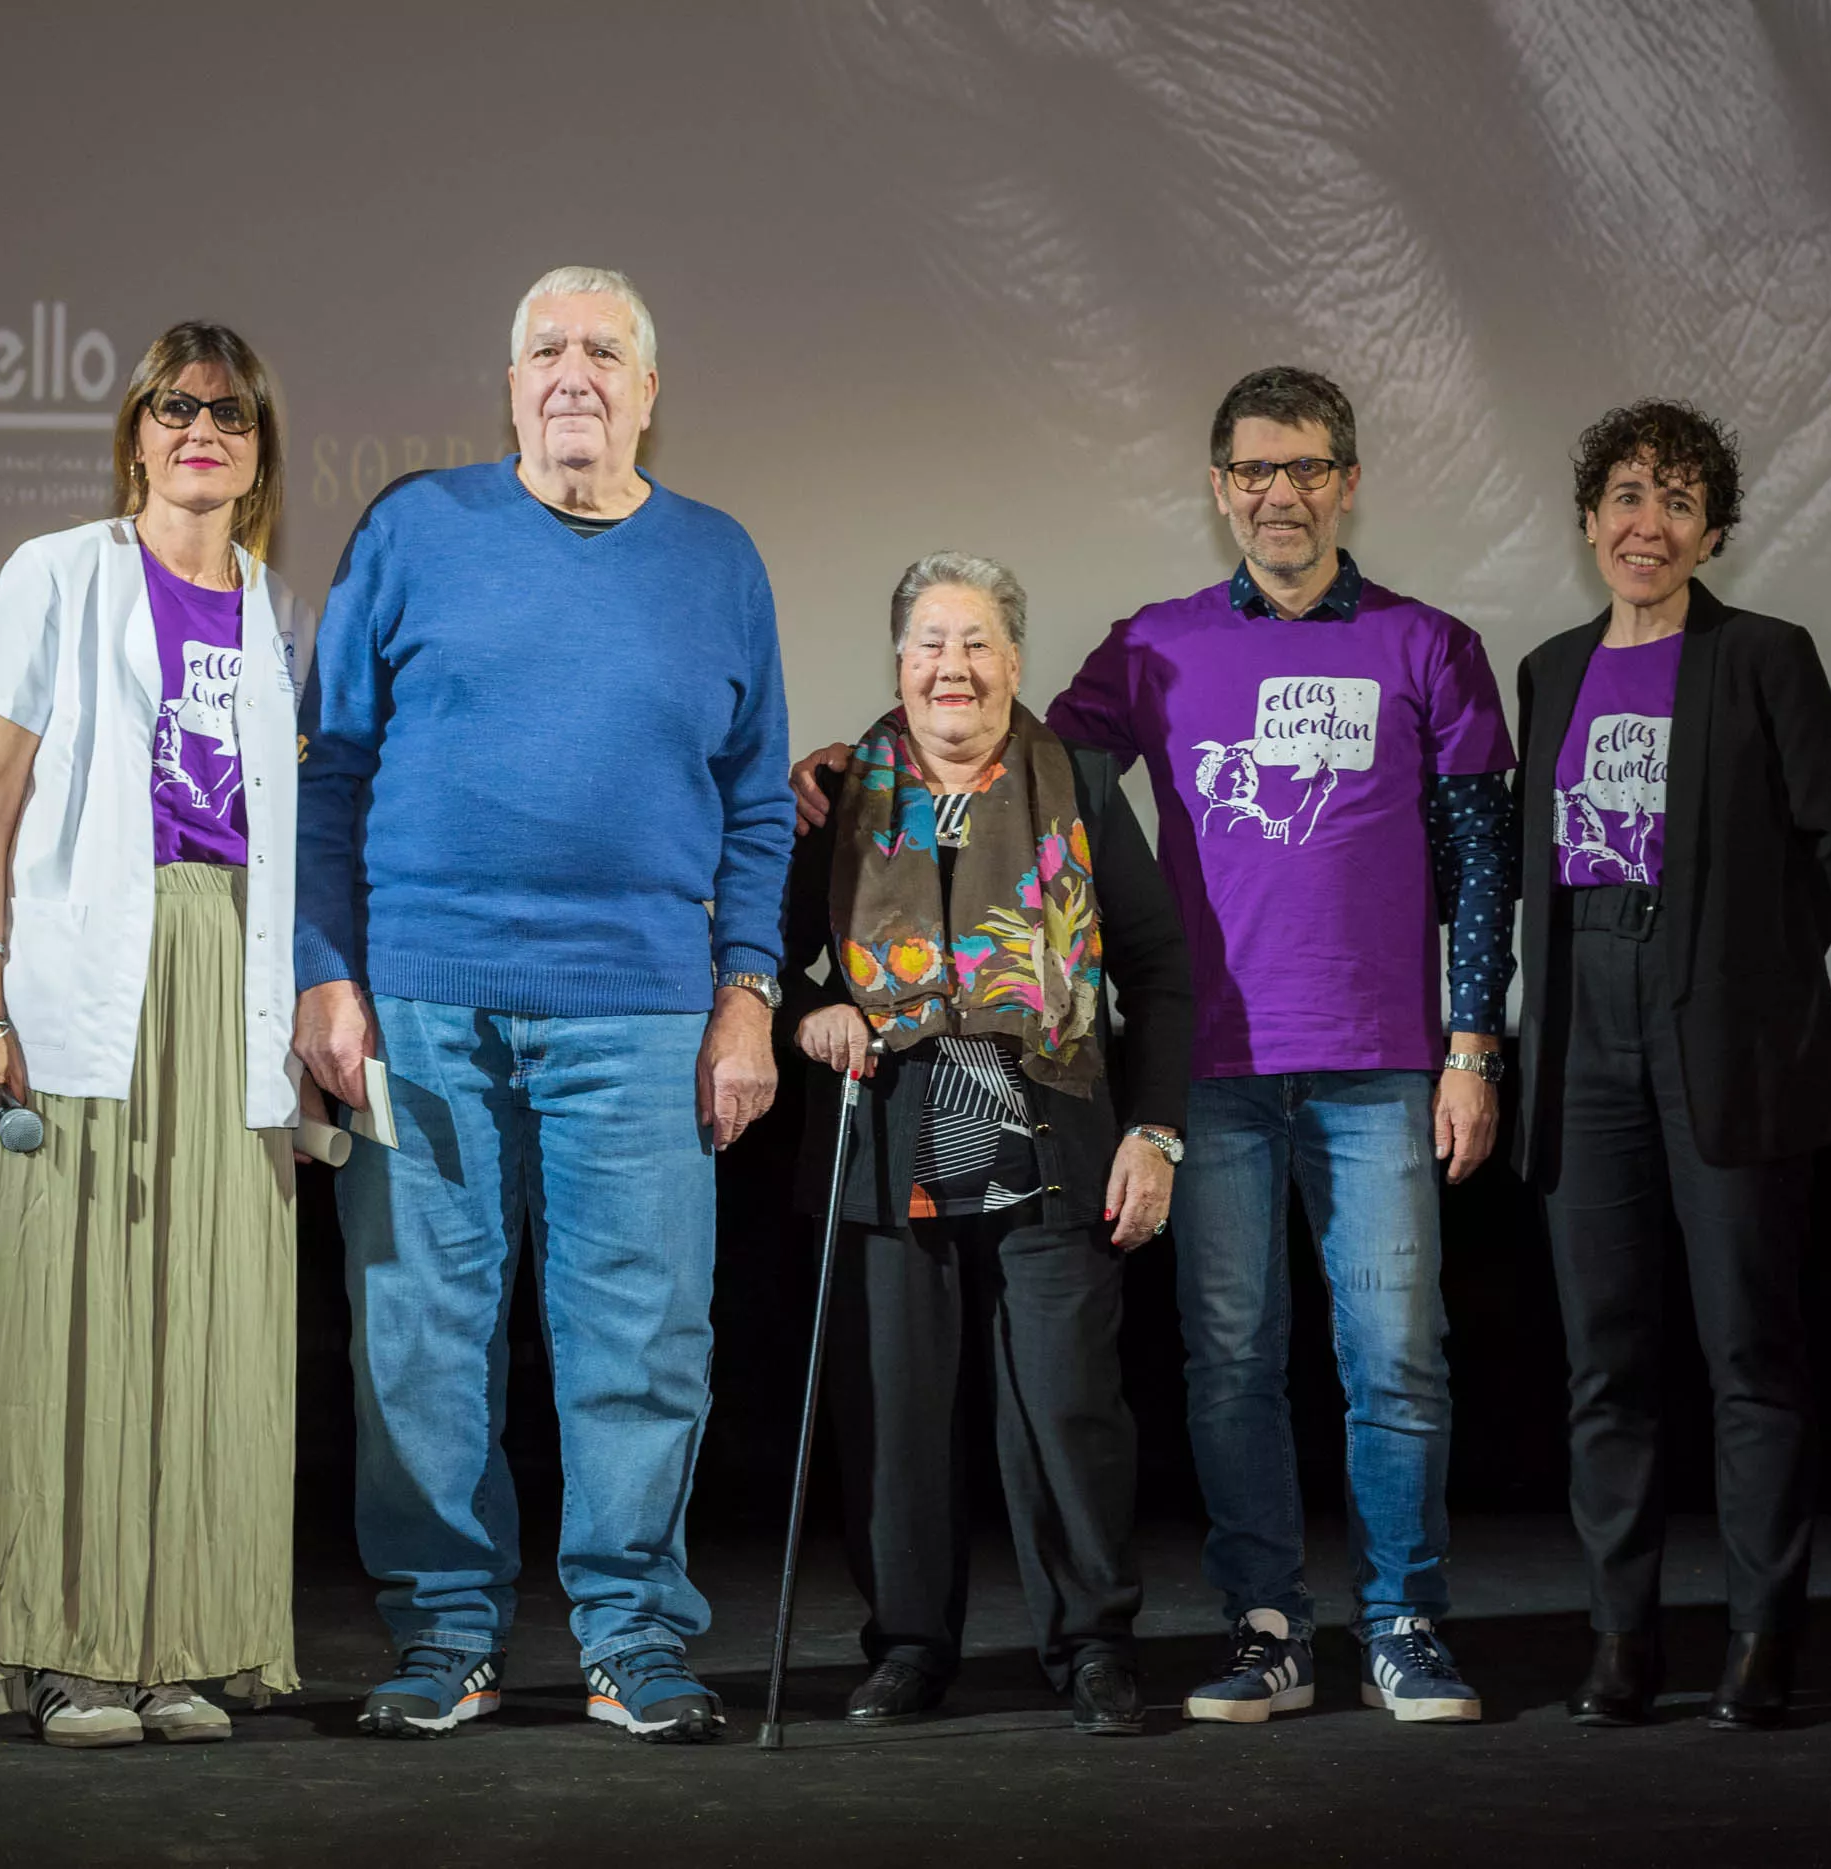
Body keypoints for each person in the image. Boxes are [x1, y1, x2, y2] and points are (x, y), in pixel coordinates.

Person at [799, 366, 1521, 1726]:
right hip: (1214, 1078)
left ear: (1348, 481)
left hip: (1382, 1065)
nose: (1281, 494)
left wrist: (1475, 1042)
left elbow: (1485, 862)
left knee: (1398, 1359)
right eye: (1253, 471)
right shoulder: (1157, 648)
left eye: (1306, 467)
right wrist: (863, 764)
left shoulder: (1432, 646)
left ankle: (1406, 1622)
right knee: (1231, 1362)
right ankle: (1267, 1632)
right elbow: (994, 751)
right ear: (1220, 490)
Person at [295, 265, 793, 1746]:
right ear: (509, 387)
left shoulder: (720, 559)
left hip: (642, 1011)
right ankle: (446, 1633)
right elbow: (331, 770)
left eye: (605, 351)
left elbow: (756, 805)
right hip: (424, 1003)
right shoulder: (412, 531)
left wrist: (748, 997)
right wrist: (328, 966)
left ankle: (632, 1634)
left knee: (643, 1338)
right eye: (545, 351)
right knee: (420, 1334)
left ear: (650, 390)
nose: (573, 373)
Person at [0, 321, 315, 1749]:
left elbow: (284, 833)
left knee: (211, 1311)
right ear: (136, 432)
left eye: (228, 409)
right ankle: (70, 1649)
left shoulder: (277, 612)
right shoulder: (58, 575)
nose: (200, 426)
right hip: (89, 973)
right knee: (75, 1310)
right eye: (173, 405)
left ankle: (184, 1646)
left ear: (259, 446)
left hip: (227, 983)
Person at [782, 552, 1193, 1737]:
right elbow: (768, 960)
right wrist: (810, 1004)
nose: (950, 668)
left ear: (1014, 664)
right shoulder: (835, 793)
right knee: (897, 1418)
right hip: (887, 1138)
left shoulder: (1084, 780)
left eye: (975, 645)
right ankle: (909, 1645)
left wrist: (1155, 1130)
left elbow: (1161, 973)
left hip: (1052, 1126)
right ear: (897, 666)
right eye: (928, 644)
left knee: (1068, 1410)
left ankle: (1093, 1646)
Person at [1512, 400, 1831, 1730]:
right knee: (1605, 1362)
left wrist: (1749, 974)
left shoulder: (1766, 657)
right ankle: (1622, 1640)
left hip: (1717, 1027)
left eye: (1674, 499)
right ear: (1589, 524)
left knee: (1748, 1352)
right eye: (1621, 494)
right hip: (1582, 1027)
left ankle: (1761, 1637)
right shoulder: (1549, 669)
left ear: (1712, 528)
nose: (1643, 522)